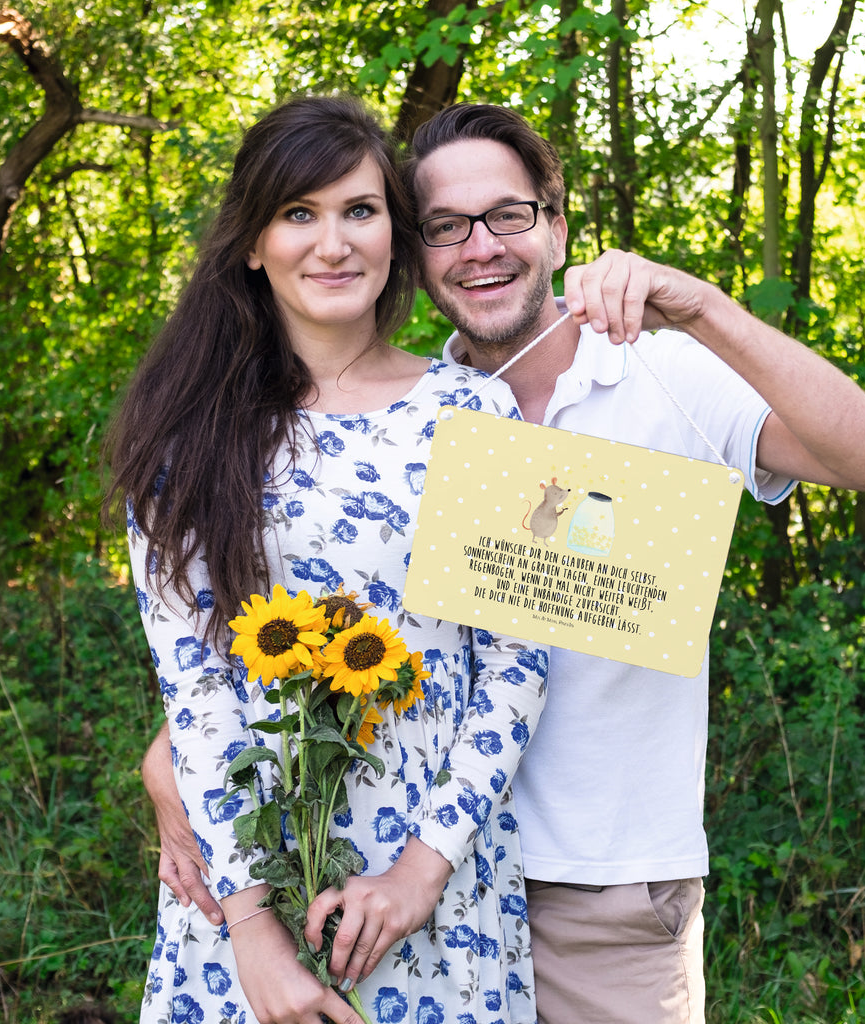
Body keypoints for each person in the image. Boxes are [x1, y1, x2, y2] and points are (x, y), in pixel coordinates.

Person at [145, 102, 865, 1024]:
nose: (480, 247)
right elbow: (273, 635)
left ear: (555, 225)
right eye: (445, 226)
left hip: (596, 886)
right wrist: (177, 770)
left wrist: (702, 306)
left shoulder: (652, 373)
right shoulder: (400, 414)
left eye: (508, 215)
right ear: (417, 249)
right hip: (371, 875)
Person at [106, 96, 552, 1024]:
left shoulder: (477, 414)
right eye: (298, 214)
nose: (334, 243)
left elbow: (516, 664)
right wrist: (254, 937)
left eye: (360, 210)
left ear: (395, 229)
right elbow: (196, 691)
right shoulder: (186, 438)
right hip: (246, 883)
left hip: (435, 885)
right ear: (251, 244)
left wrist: (421, 873)